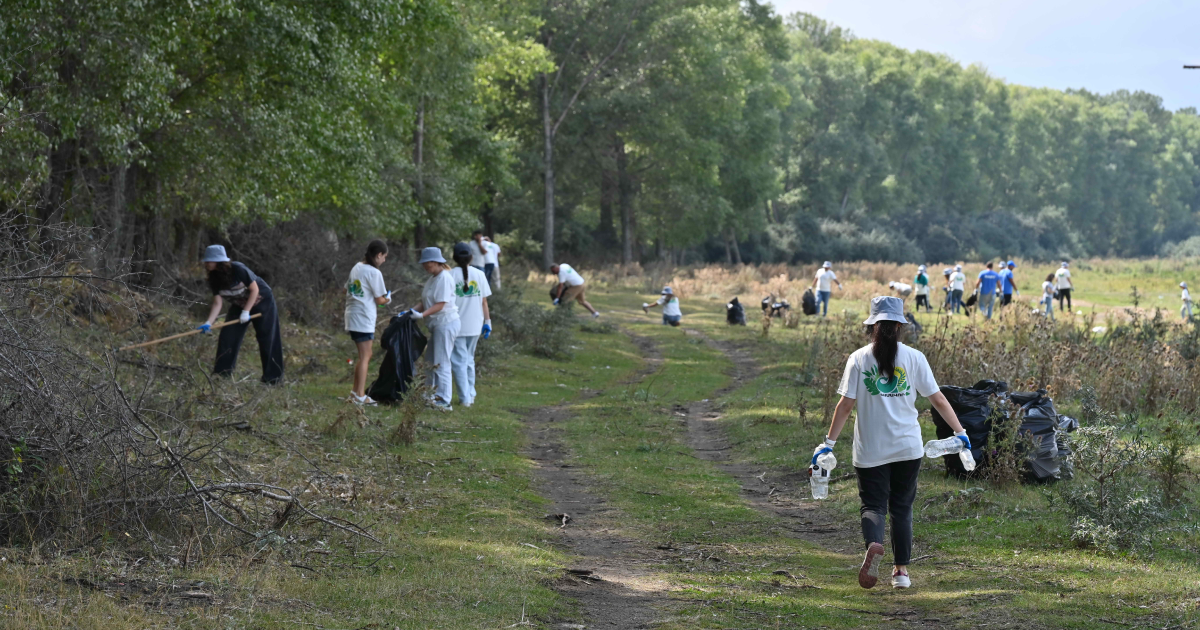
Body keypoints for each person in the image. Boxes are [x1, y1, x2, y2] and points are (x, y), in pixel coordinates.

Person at [816, 296, 968, 590]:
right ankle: (901, 573)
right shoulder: (914, 357)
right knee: (902, 507)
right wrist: (960, 432)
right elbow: (937, 399)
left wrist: (828, 443)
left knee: (873, 505)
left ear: (872, 325)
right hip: (908, 447)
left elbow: (846, 405)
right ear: (899, 326)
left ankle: (874, 544)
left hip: (871, 448)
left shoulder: (859, 358)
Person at [196, 245, 285, 384]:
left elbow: (254, 290)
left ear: (219, 261)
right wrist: (209, 322)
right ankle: (222, 375)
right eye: (206, 261)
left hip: (262, 301)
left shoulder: (237, 269)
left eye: (210, 261)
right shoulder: (213, 278)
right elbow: (217, 303)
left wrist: (246, 311)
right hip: (240, 305)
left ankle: (272, 380)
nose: (207, 263)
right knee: (228, 336)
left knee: (268, 339)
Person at [409, 247, 461, 411]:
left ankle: (444, 400)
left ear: (436, 262)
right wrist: (412, 311)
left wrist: (422, 315)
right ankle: (429, 394)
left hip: (445, 323)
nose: (425, 266)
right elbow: (425, 300)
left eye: (427, 263)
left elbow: (441, 304)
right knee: (431, 361)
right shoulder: (433, 278)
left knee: (441, 362)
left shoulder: (444, 278)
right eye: (424, 263)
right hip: (436, 325)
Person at [344, 240, 392, 405]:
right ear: (378, 255)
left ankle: (355, 393)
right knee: (366, 355)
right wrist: (388, 299)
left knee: (363, 355)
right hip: (363, 317)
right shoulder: (373, 272)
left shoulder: (356, 267)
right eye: (384, 257)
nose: (384, 260)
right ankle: (360, 395)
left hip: (352, 314)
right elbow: (379, 299)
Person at [450, 243, 492, 408]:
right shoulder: (480, 274)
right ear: (471, 257)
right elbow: (484, 301)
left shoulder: (450, 275)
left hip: (457, 325)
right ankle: (471, 394)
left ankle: (465, 398)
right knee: (469, 360)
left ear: (454, 257)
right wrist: (487, 322)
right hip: (476, 324)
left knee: (459, 361)